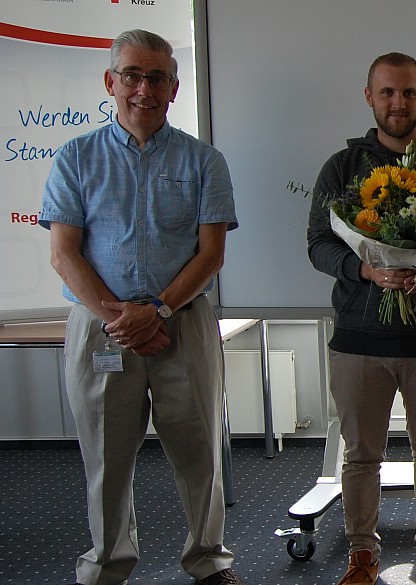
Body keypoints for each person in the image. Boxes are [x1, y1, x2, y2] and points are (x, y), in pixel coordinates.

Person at [39, 29, 243, 585]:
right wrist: (122, 319)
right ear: (111, 81)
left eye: (157, 78)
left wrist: (157, 311)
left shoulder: (204, 161)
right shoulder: (76, 158)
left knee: (199, 452)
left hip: (184, 322)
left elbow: (211, 254)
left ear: (174, 90)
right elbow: (64, 255)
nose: (143, 89)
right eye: (132, 75)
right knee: (106, 459)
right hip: (102, 328)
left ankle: (208, 559)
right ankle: (107, 564)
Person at [307, 52, 416, 585]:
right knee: (361, 454)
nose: (398, 103)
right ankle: (363, 553)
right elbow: (318, 244)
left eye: (408, 93)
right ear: (370, 96)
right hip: (360, 338)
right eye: (387, 92)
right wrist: (364, 268)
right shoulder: (342, 170)